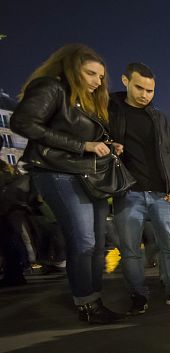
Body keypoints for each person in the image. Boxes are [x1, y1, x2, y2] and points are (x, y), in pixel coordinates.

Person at [10, 44, 124, 323]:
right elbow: (22, 122)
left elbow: (78, 134)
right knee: (83, 241)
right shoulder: (51, 87)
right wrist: (83, 145)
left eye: (101, 75)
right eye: (91, 73)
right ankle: (86, 303)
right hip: (57, 172)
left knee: (98, 243)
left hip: (87, 174)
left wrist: (106, 146)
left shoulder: (85, 100)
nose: (98, 81)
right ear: (72, 70)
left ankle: (94, 298)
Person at [109, 62, 170, 313]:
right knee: (130, 251)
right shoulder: (111, 114)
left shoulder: (164, 120)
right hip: (128, 193)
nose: (145, 95)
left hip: (163, 194)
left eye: (150, 90)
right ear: (125, 81)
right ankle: (138, 295)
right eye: (139, 88)